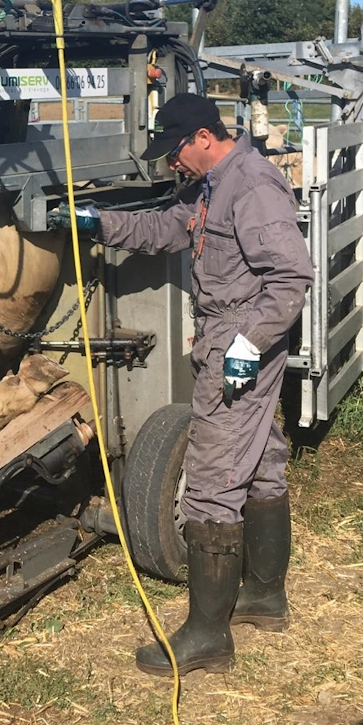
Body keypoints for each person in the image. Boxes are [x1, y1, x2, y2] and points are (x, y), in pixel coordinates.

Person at [50, 92, 313, 676]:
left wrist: (247, 346)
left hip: (242, 339)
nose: (173, 163)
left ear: (202, 136)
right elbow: (165, 228)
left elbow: (291, 274)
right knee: (260, 461)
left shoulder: (252, 184)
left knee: (212, 481)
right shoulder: (210, 186)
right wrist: (98, 223)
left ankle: (207, 636)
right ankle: (265, 596)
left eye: (175, 152)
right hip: (232, 334)